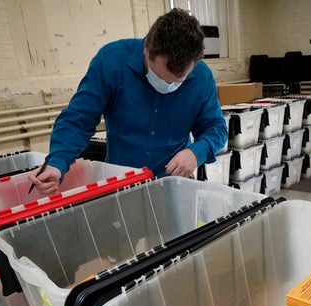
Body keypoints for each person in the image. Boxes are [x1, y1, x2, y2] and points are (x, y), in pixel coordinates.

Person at [29, 8, 227, 195]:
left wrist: (196, 153)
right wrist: (58, 161)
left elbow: (216, 128)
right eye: (159, 76)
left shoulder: (202, 77)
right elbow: (78, 118)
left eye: (176, 82)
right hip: (120, 182)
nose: (166, 86)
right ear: (146, 49)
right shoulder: (111, 61)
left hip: (174, 185)